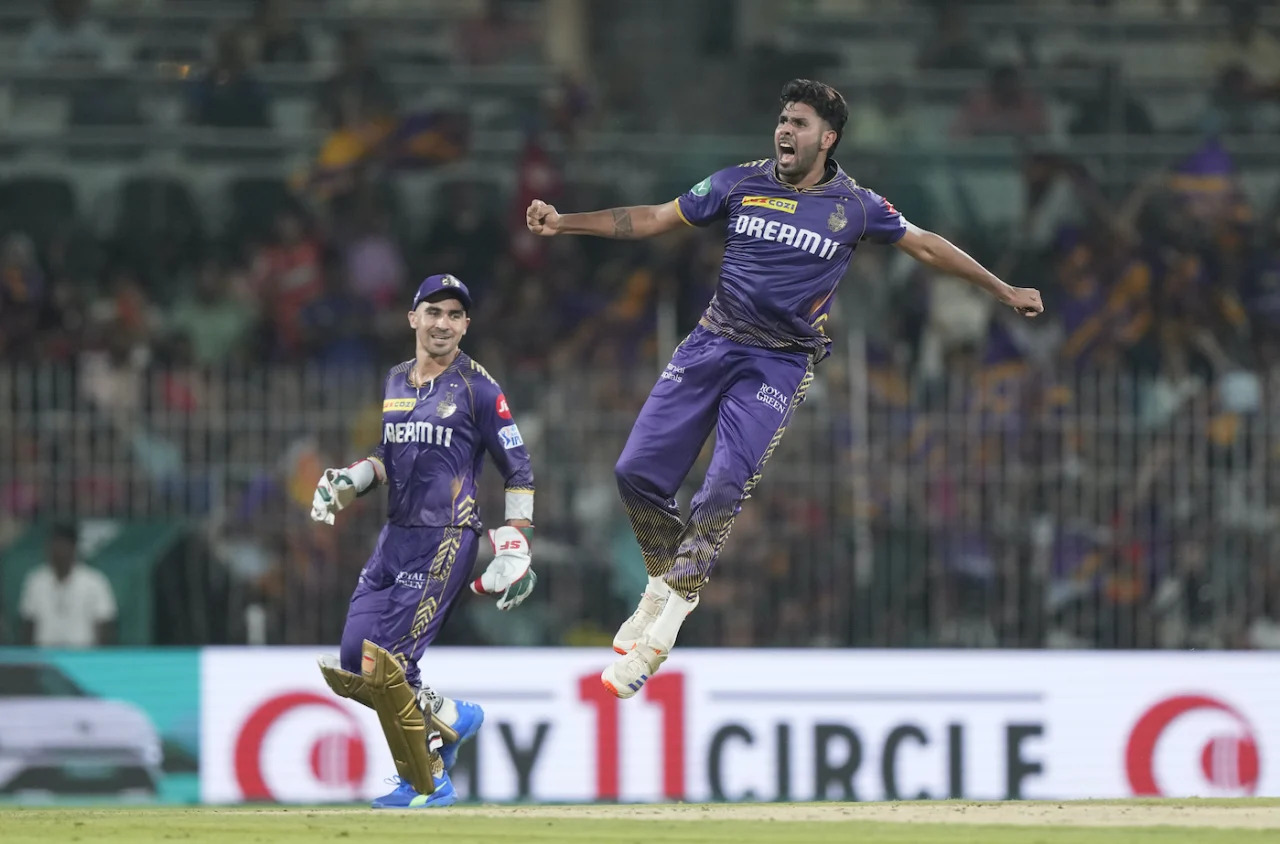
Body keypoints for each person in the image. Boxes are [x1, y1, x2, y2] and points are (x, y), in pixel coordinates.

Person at [526, 78, 1043, 699]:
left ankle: (660, 637)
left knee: (720, 489)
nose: (784, 131)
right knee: (634, 473)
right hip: (712, 343)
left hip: (777, 365)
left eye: (798, 123)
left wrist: (1004, 290)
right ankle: (664, 582)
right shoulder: (738, 183)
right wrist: (565, 223)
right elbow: (654, 218)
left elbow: (926, 246)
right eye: (781, 119)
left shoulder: (855, 207)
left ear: (827, 138)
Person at [311, 273, 537, 809]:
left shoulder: (479, 387)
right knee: (352, 663)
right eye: (433, 311)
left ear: (466, 326)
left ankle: (428, 779)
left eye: (455, 315)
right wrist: (352, 481)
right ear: (412, 318)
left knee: (389, 664)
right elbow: (389, 458)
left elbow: (519, 468)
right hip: (395, 537)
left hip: (445, 537)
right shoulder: (394, 380)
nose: (443, 323)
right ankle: (453, 716)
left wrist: (517, 544)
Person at [19, 519, 117, 648]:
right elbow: (28, 624)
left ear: (74, 547)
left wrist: (95, 661)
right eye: (54, 544)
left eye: (62, 544)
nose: (57, 549)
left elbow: (105, 624)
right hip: (44, 657)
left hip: (82, 656)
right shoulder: (35, 580)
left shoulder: (94, 581)